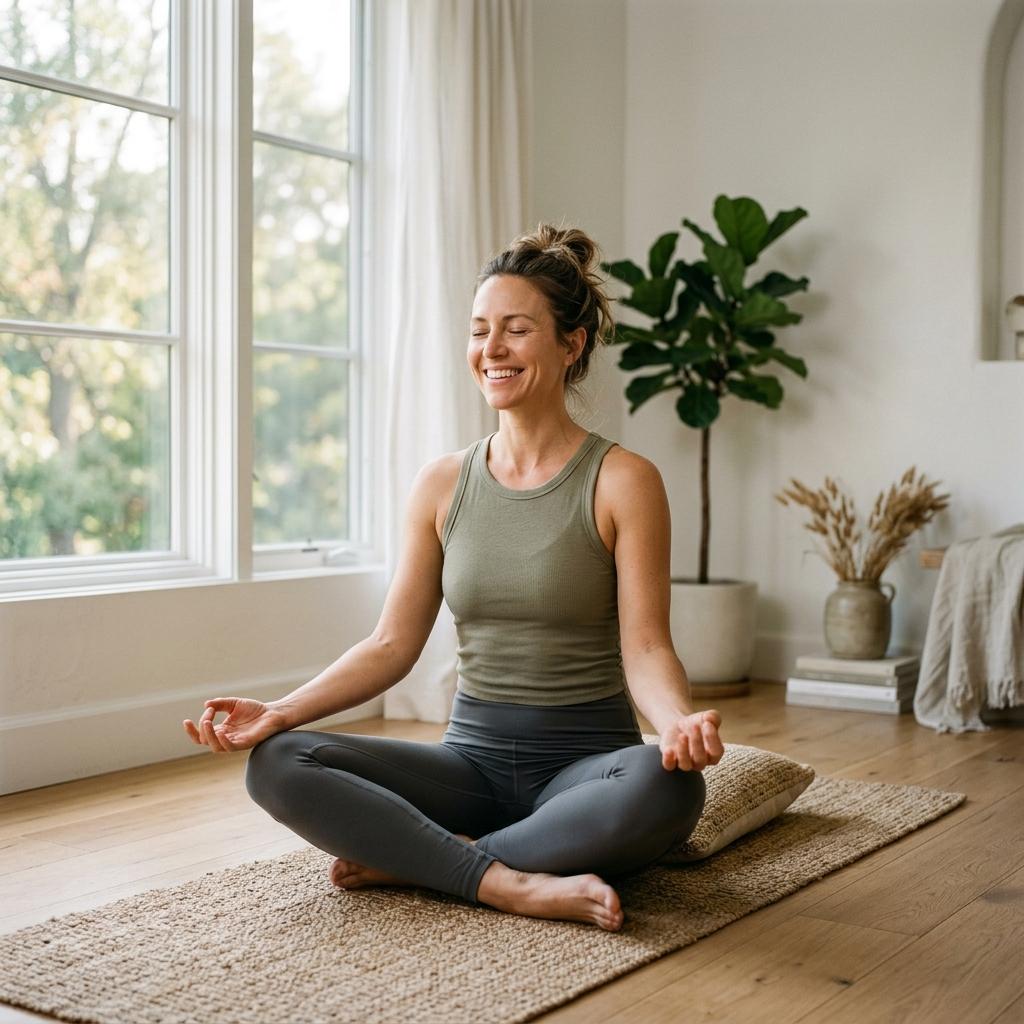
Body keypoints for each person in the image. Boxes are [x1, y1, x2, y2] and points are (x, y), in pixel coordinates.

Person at [183, 224, 724, 932]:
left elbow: (646, 647)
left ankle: (428, 863)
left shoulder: (624, 481)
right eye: (478, 331)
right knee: (278, 761)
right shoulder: (442, 483)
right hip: (469, 766)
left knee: (669, 790)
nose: (491, 350)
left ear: (572, 344)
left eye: (516, 330)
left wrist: (677, 721)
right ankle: (506, 880)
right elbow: (389, 645)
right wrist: (281, 712)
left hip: (585, 769)